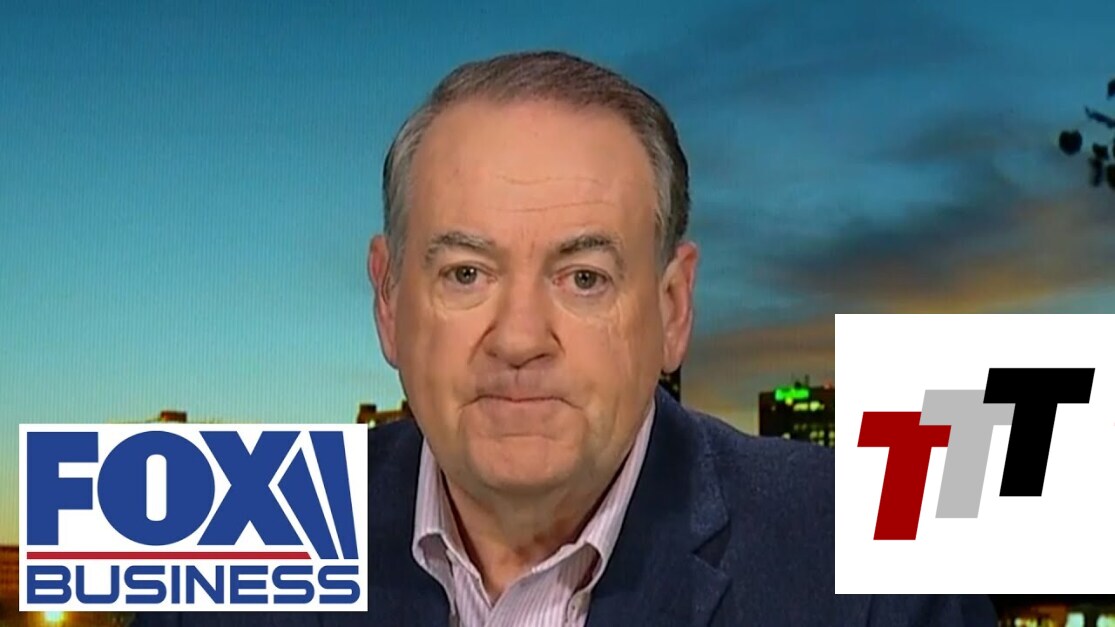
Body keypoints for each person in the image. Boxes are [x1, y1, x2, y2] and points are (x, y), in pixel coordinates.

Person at [133, 50, 997, 626]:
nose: (517, 339)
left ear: (671, 310)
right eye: (465, 274)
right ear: (388, 301)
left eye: (582, 278)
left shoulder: (871, 557)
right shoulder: (221, 541)